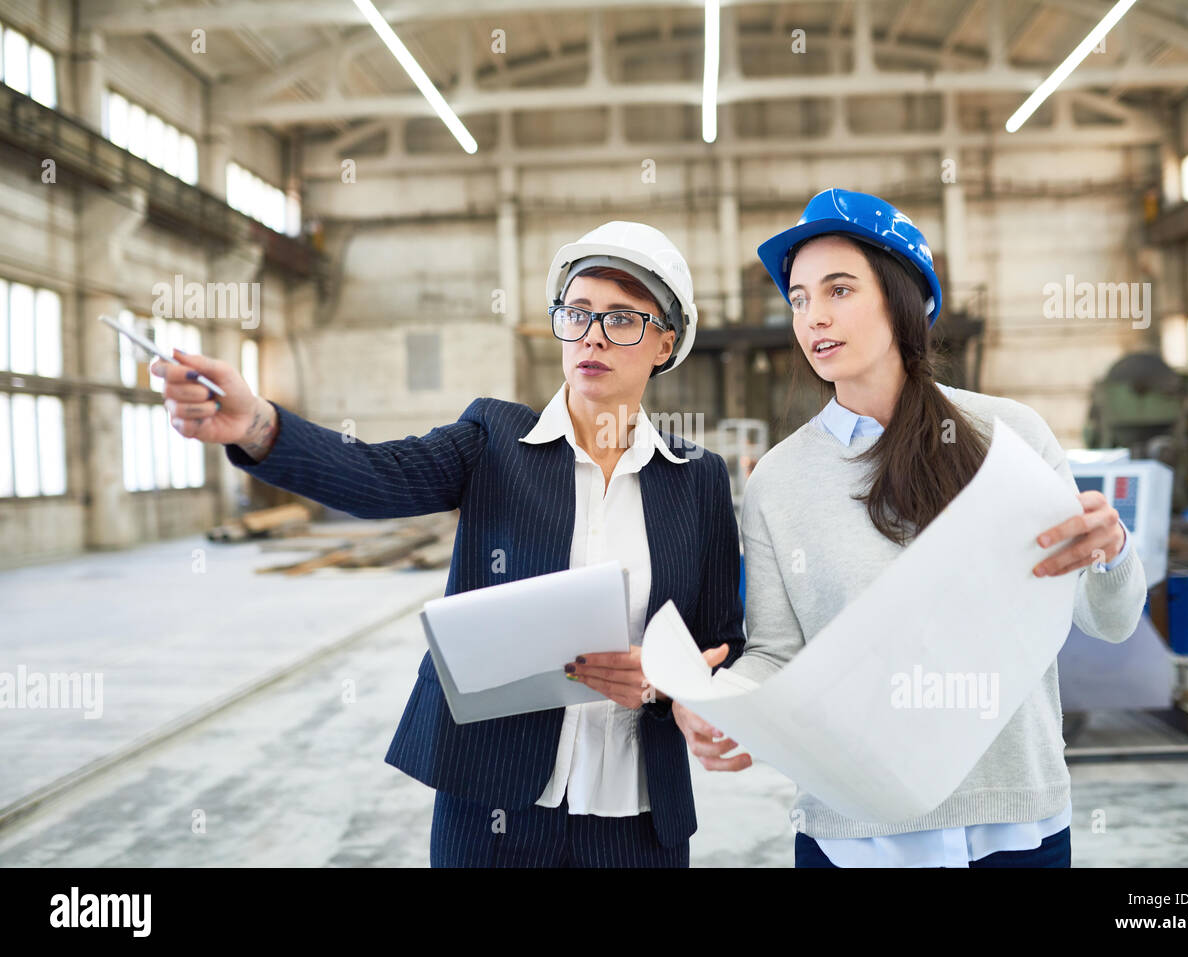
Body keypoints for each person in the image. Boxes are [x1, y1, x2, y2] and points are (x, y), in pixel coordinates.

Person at [151, 221, 744, 867]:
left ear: (666, 341)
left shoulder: (698, 479)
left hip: (637, 815)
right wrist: (261, 425)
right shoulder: (493, 439)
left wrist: (670, 684)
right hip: (493, 807)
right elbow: (377, 476)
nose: (593, 335)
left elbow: (719, 640)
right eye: (577, 313)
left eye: (623, 318)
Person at [672, 188, 1148, 868]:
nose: (814, 317)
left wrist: (1114, 551)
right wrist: (726, 704)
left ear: (903, 299)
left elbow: (1112, 621)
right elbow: (778, 652)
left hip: (1016, 828)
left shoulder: (1010, 438)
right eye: (800, 298)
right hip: (853, 837)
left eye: (839, 289)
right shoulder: (778, 479)